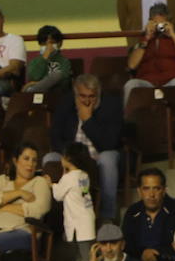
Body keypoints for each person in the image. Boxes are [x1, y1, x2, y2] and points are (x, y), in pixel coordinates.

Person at [48, 75, 124, 221]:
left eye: (92, 96)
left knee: (107, 159)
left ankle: (107, 216)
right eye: (82, 96)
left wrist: (88, 120)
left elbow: (110, 143)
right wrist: (69, 157)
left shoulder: (112, 105)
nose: (87, 101)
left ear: (98, 93)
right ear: (76, 94)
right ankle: (56, 217)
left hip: (99, 155)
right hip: (72, 156)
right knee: (49, 158)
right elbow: (55, 136)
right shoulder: (66, 103)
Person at [124, 4, 175, 146]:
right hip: (147, 81)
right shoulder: (141, 41)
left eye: (162, 23)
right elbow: (132, 65)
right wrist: (146, 38)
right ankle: (128, 138)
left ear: (169, 21)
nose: (159, 27)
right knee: (130, 85)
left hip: (172, 80)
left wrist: (174, 37)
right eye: (155, 22)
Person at [121, 166, 175, 261]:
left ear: (164, 190)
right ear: (139, 191)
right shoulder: (132, 211)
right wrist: (142, 253)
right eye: (146, 189)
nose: (151, 194)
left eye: (156, 188)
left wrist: (158, 253)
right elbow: (125, 245)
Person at [52, 142, 97, 261]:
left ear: (69, 159)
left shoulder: (69, 178)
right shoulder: (84, 175)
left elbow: (58, 195)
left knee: (86, 255)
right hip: (87, 217)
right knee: (86, 248)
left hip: (78, 220)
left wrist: (51, 185)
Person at [25, 25, 73, 94]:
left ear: (59, 43)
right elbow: (34, 77)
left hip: (57, 93)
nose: (48, 47)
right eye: (44, 44)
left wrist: (33, 84)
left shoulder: (64, 61)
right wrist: (44, 57)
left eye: (51, 43)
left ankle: (31, 90)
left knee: (56, 75)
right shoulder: (34, 61)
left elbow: (64, 80)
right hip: (37, 95)